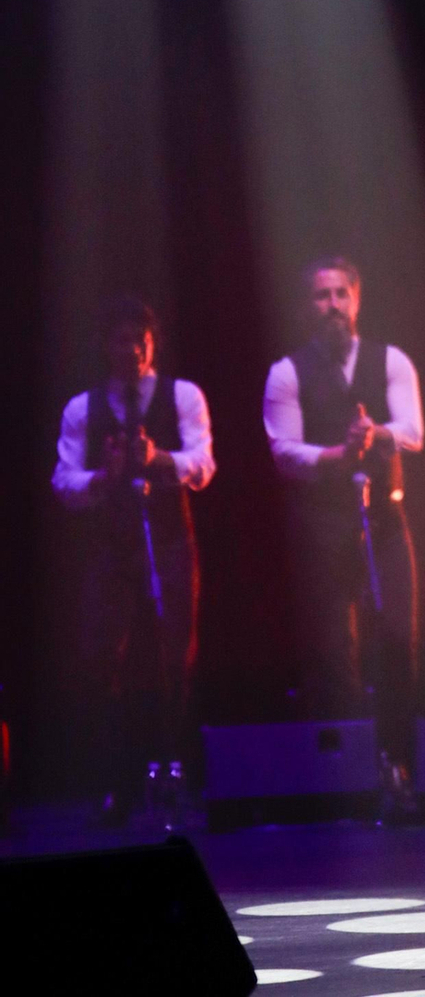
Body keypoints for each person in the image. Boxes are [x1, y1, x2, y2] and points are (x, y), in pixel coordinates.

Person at [263, 257, 423, 805]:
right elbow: (284, 451)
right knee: (336, 653)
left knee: (397, 638)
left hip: (384, 519)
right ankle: (353, 775)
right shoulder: (287, 371)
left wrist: (375, 434)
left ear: (357, 300)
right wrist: (338, 453)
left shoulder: (391, 360)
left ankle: (398, 762)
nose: (331, 305)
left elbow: (413, 431)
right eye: (320, 296)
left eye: (339, 295)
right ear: (307, 305)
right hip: (324, 526)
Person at [52, 294, 216, 819]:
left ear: (153, 344)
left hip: (169, 540)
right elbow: (63, 481)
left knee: (175, 655)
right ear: (108, 347)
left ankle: (174, 768)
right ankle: (116, 780)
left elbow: (202, 463)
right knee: (104, 662)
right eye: (122, 340)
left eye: (140, 340)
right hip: (112, 548)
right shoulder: (83, 408)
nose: (133, 350)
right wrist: (106, 477)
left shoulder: (183, 395)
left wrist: (158, 459)